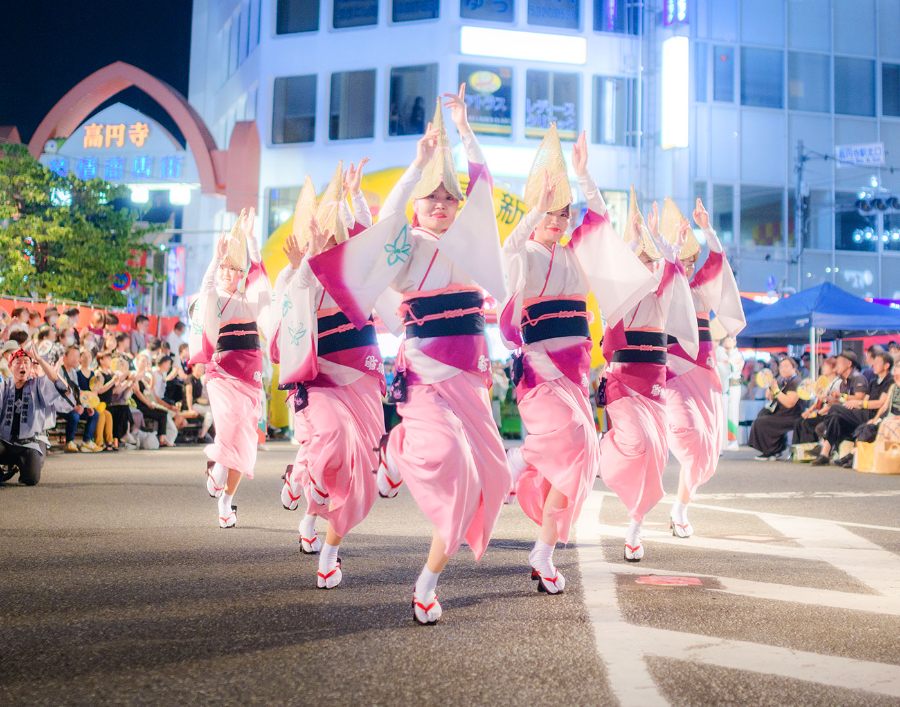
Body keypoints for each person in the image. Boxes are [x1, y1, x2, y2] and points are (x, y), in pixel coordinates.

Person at [308, 87, 510, 624]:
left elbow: (484, 188)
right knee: (451, 461)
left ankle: (428, 580)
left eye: (449, 196)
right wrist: (418, 164)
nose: (441, 203)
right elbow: (387, 218)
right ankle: (398, 449)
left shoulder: (471, 243)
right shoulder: (404, 247)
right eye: (431, 197)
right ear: (418, 205)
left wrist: (465, 131)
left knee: (487, 480)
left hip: (470, 378)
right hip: (421, 380)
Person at [500, 129, 654, 591]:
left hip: (572, 377)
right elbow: (507, 252)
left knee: (582, 456)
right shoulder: (523, 253)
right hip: (537, 374)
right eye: (552, 211)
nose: (560, 220)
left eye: (564, 213)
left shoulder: (576, 255)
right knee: (569, 437)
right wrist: (532, 213)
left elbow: (601, 221)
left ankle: (543, 553)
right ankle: (520, 458)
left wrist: (584, 176)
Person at [274, 160, 387, 588]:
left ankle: (329, 550)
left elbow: (368, 238)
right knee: (334, 444)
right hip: (319, 382)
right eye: (323, 238)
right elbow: (289, 311)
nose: (331, 243)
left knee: (360, 470)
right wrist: (309, 261)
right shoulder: (296, 277)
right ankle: (309, 485)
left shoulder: (356, 272)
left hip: (360, 378)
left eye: (336, 238)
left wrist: (355, 195)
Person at [598, 190, 699, 562]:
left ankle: (635, 527)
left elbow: (671, 272)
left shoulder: (661, 295)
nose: (643, 262)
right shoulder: (619, 294)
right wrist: (637, 239)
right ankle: (601, 451)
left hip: (654, 385)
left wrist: (664, 243)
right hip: (623, 381)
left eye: (647, 258)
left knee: (656, 457)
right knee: (638, 441)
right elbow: (615, 264)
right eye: (637, 256)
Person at [662, 197, 745, 538]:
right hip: (673, 374)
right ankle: (668, 510)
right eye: (685, 258)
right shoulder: (662, 285)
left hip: (704, 374)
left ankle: (680, 507)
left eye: (693, 259)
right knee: (692, 439)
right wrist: (672, 248)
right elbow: (665, 272)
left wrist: (707, 229)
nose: (691, 264)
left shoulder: (699, 290)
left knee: (707, 451)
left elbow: (720, 263)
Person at [190, 207, 272, 528]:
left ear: (242, 273)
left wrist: (251, 240)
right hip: (220, 373)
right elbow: (207, 289)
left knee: (246, 441)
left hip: (250, 375)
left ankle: (226, 500)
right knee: (229, 424)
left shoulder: (250, 298)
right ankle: (218, 467)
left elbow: (261, 280)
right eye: (225, 267)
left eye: (234, 268)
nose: (228, 272)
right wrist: (215, 259)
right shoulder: (210, 298)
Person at [0, 344, 74, 485]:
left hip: (29, 443)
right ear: (10, 367)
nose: (22, 366)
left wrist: (39, 359)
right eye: (18, 362)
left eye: (26, 362)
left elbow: (61, 386)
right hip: (5, 441)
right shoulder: (3, 386)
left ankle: (24, 465)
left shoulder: (38, 385)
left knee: (31, 479)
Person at [814, 350, 893, 466]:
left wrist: (859, 404)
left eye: (877, 362)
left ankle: (829, 449)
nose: (873, 365)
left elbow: (880, 403)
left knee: (835, 409)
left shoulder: (889, 381)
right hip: (863, 412)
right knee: (835, 416)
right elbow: (864, 399)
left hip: (873, 415)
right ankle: (824, 454)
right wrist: (854, 403)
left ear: (886, 366)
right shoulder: (873, 381)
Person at [747, 356, 804, 460]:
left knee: (762, 422)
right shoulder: (782, 380)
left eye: (787, 366)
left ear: (794, 368)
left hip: (792, 415)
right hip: (781, 412)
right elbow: (770, 397)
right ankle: (775, 449)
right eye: (781, 367)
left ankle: (771, 451)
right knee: (762, 414)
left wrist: (776, 391)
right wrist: (770, 390)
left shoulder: (796, 381)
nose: (783, 369)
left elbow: (789, 403)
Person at [58, 345, 101, 453]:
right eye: (73, 356)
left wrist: (86, 405)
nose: (76, 359)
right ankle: (69, 442)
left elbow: (78, 392)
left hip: (72, 405)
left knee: (94, 413)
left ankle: (86, 441)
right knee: (75, 415)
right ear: (65, 357)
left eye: (77, 356)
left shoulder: (73, 372)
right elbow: (59, 396)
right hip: (60, 406)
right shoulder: (59, 371)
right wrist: (74, 407)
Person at [717, 336, 744, 451]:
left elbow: (732, 367)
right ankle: (723, 440)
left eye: (730, 340)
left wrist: (726, 362)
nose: (727, 342)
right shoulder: (720, 352)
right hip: (723, 387)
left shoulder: (737, 355)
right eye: (726, 340)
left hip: (734, 387)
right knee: (723, 412)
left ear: (735, 342)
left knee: (733, 413)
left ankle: (732, 440)